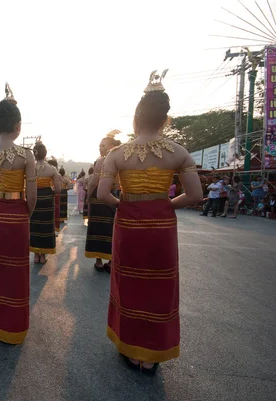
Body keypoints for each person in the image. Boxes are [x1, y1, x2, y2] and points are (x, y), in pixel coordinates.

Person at [97, 72, 203, 374]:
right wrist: (165, 204)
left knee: (129, 283)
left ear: (136, 118)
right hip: (162, 225)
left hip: (128, 224)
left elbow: (104, 194)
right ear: (165, 120)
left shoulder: (117, 154)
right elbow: (195, 195)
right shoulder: (178, 152)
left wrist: (126, 205)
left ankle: (131, 348)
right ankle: (152, 353)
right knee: (159, 286)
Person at [0, 96, 36, 345]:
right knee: (15, 273)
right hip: (17, 215)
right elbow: (31, 196)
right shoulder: (26, 156)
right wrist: (25, 214)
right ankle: (13, 328)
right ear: (17, 126)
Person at [85, 131, 122, 272]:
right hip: (112, 195)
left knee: (97, 227)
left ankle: (99, 260)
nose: (100, 148)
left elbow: (94, 182)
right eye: (99, 145)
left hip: (98, 196)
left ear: (112, 145)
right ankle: (111, 260)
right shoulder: (120, 158)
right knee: (110, 227)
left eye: (103, 145)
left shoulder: (101, 160)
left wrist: (88, 196)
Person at [29, 142, 61, 264]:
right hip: (47, 199)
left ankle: (36, 255)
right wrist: (51, 192)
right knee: (46, 227)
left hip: (34, 197)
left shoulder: (30, 168)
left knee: (35, 225)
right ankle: (43, 256)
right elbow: (58, 189)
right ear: (45, 154)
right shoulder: (52, 169)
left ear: (34, 154)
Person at [47, 158, 61, 235]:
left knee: (52, 212)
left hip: (51, 193)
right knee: (55, 211)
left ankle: (53, 229)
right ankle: (55, 229)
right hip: (54, 193)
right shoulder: (56, 174)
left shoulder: (51, 172)